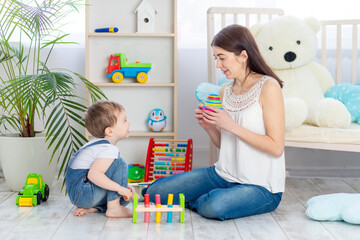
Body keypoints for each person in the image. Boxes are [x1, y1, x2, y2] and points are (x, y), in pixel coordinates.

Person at [143, 24, 286, 221]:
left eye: (222, 58)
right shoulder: (224, 91)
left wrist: (231, 125)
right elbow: (225, 144)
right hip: (223, 175)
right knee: (153, 192)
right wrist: (209, 128)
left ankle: (203, 200)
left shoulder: (268, 87)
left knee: (214, 206)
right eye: (216, 59)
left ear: (243, 56)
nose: (218, 65)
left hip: (261, 186)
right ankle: (205, 198)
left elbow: (276, 147)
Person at [66, 100, 138, 218]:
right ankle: (114, 209)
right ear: (109, 131)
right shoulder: (108, 149)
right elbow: (94, 175)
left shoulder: (98, 144)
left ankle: (93, 208)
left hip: (79, 194)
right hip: (82, 192)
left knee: (123, 199)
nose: (129, 122)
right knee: (120, 163)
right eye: (124, 120)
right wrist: (119, 188)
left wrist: (123, 186)